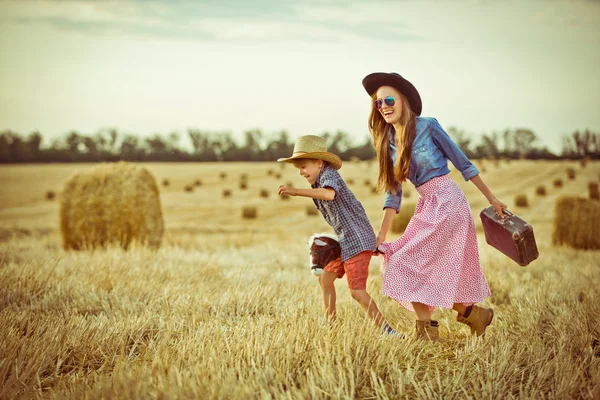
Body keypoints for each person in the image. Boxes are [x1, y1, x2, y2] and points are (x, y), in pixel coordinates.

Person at [361, 72, 507, 341]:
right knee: (400, 263)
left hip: (449, 202)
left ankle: (428, 333)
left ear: (404, 100)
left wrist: (492, 199)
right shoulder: (387, 142)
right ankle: (476, 316)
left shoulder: (428, 126)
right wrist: (381, 235)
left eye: (388, 99)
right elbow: (393, 195)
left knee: (409, 265)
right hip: (426, 205)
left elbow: (464, 164)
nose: (383, 107)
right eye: (378, 104)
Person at [276, 135, 398, 335]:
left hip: (357, 241)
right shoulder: (318, 182)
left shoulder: (329, 176)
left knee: (357, 292)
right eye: (298, 168)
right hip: (347, 241)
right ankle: (331, 326)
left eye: (304, 166)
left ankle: (387, 331)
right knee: (325, 279)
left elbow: (329, 194)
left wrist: (296, 192)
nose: (301, 172)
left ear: (319, 162)